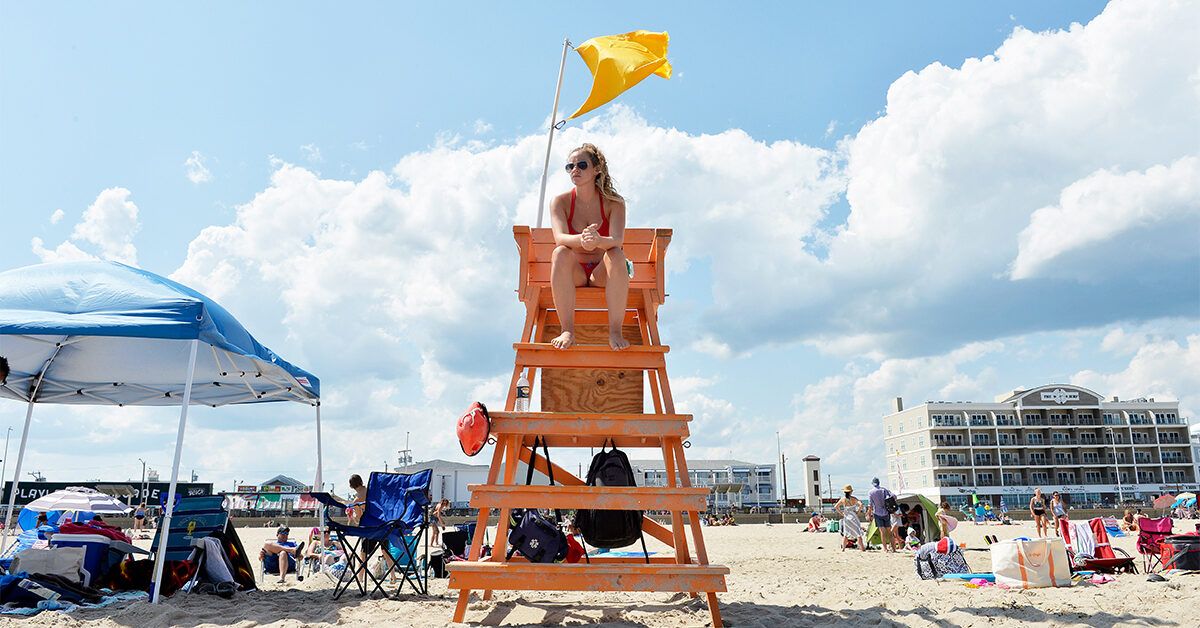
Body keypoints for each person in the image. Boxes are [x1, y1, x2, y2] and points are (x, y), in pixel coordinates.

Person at [547, 143, 630, 351]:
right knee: (560, 253)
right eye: (570, 166)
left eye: (582, 165)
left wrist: (598, 241)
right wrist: (583, 240)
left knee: (617, 254)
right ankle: (567, 330)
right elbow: (559, 237)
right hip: (574, 273)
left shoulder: (614, 203)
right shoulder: (560, 202)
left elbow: (617, 240)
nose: (575, 170)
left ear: (597, 169)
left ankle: (615, 331)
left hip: (601, 274)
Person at [867, 477, 897, 553]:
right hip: (886, 512)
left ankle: (885, 549)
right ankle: (894, 548)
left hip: (877, 512)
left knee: (882, 532)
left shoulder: (871, 492)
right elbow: (894, 497)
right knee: (889, 531)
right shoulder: (884, 490)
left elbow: (870, 505)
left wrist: (869, 514)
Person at [834, 484, 866, 551]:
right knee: (858, 534)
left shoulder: (843, 499)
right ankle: (862, 548)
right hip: (854, 517)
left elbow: (836, 507)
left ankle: (843, 548)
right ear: (851, 492)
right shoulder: (854, 499)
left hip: (846, 518)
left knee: (846, 534)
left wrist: (842, 513)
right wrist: (858, 511)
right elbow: (861, 505)